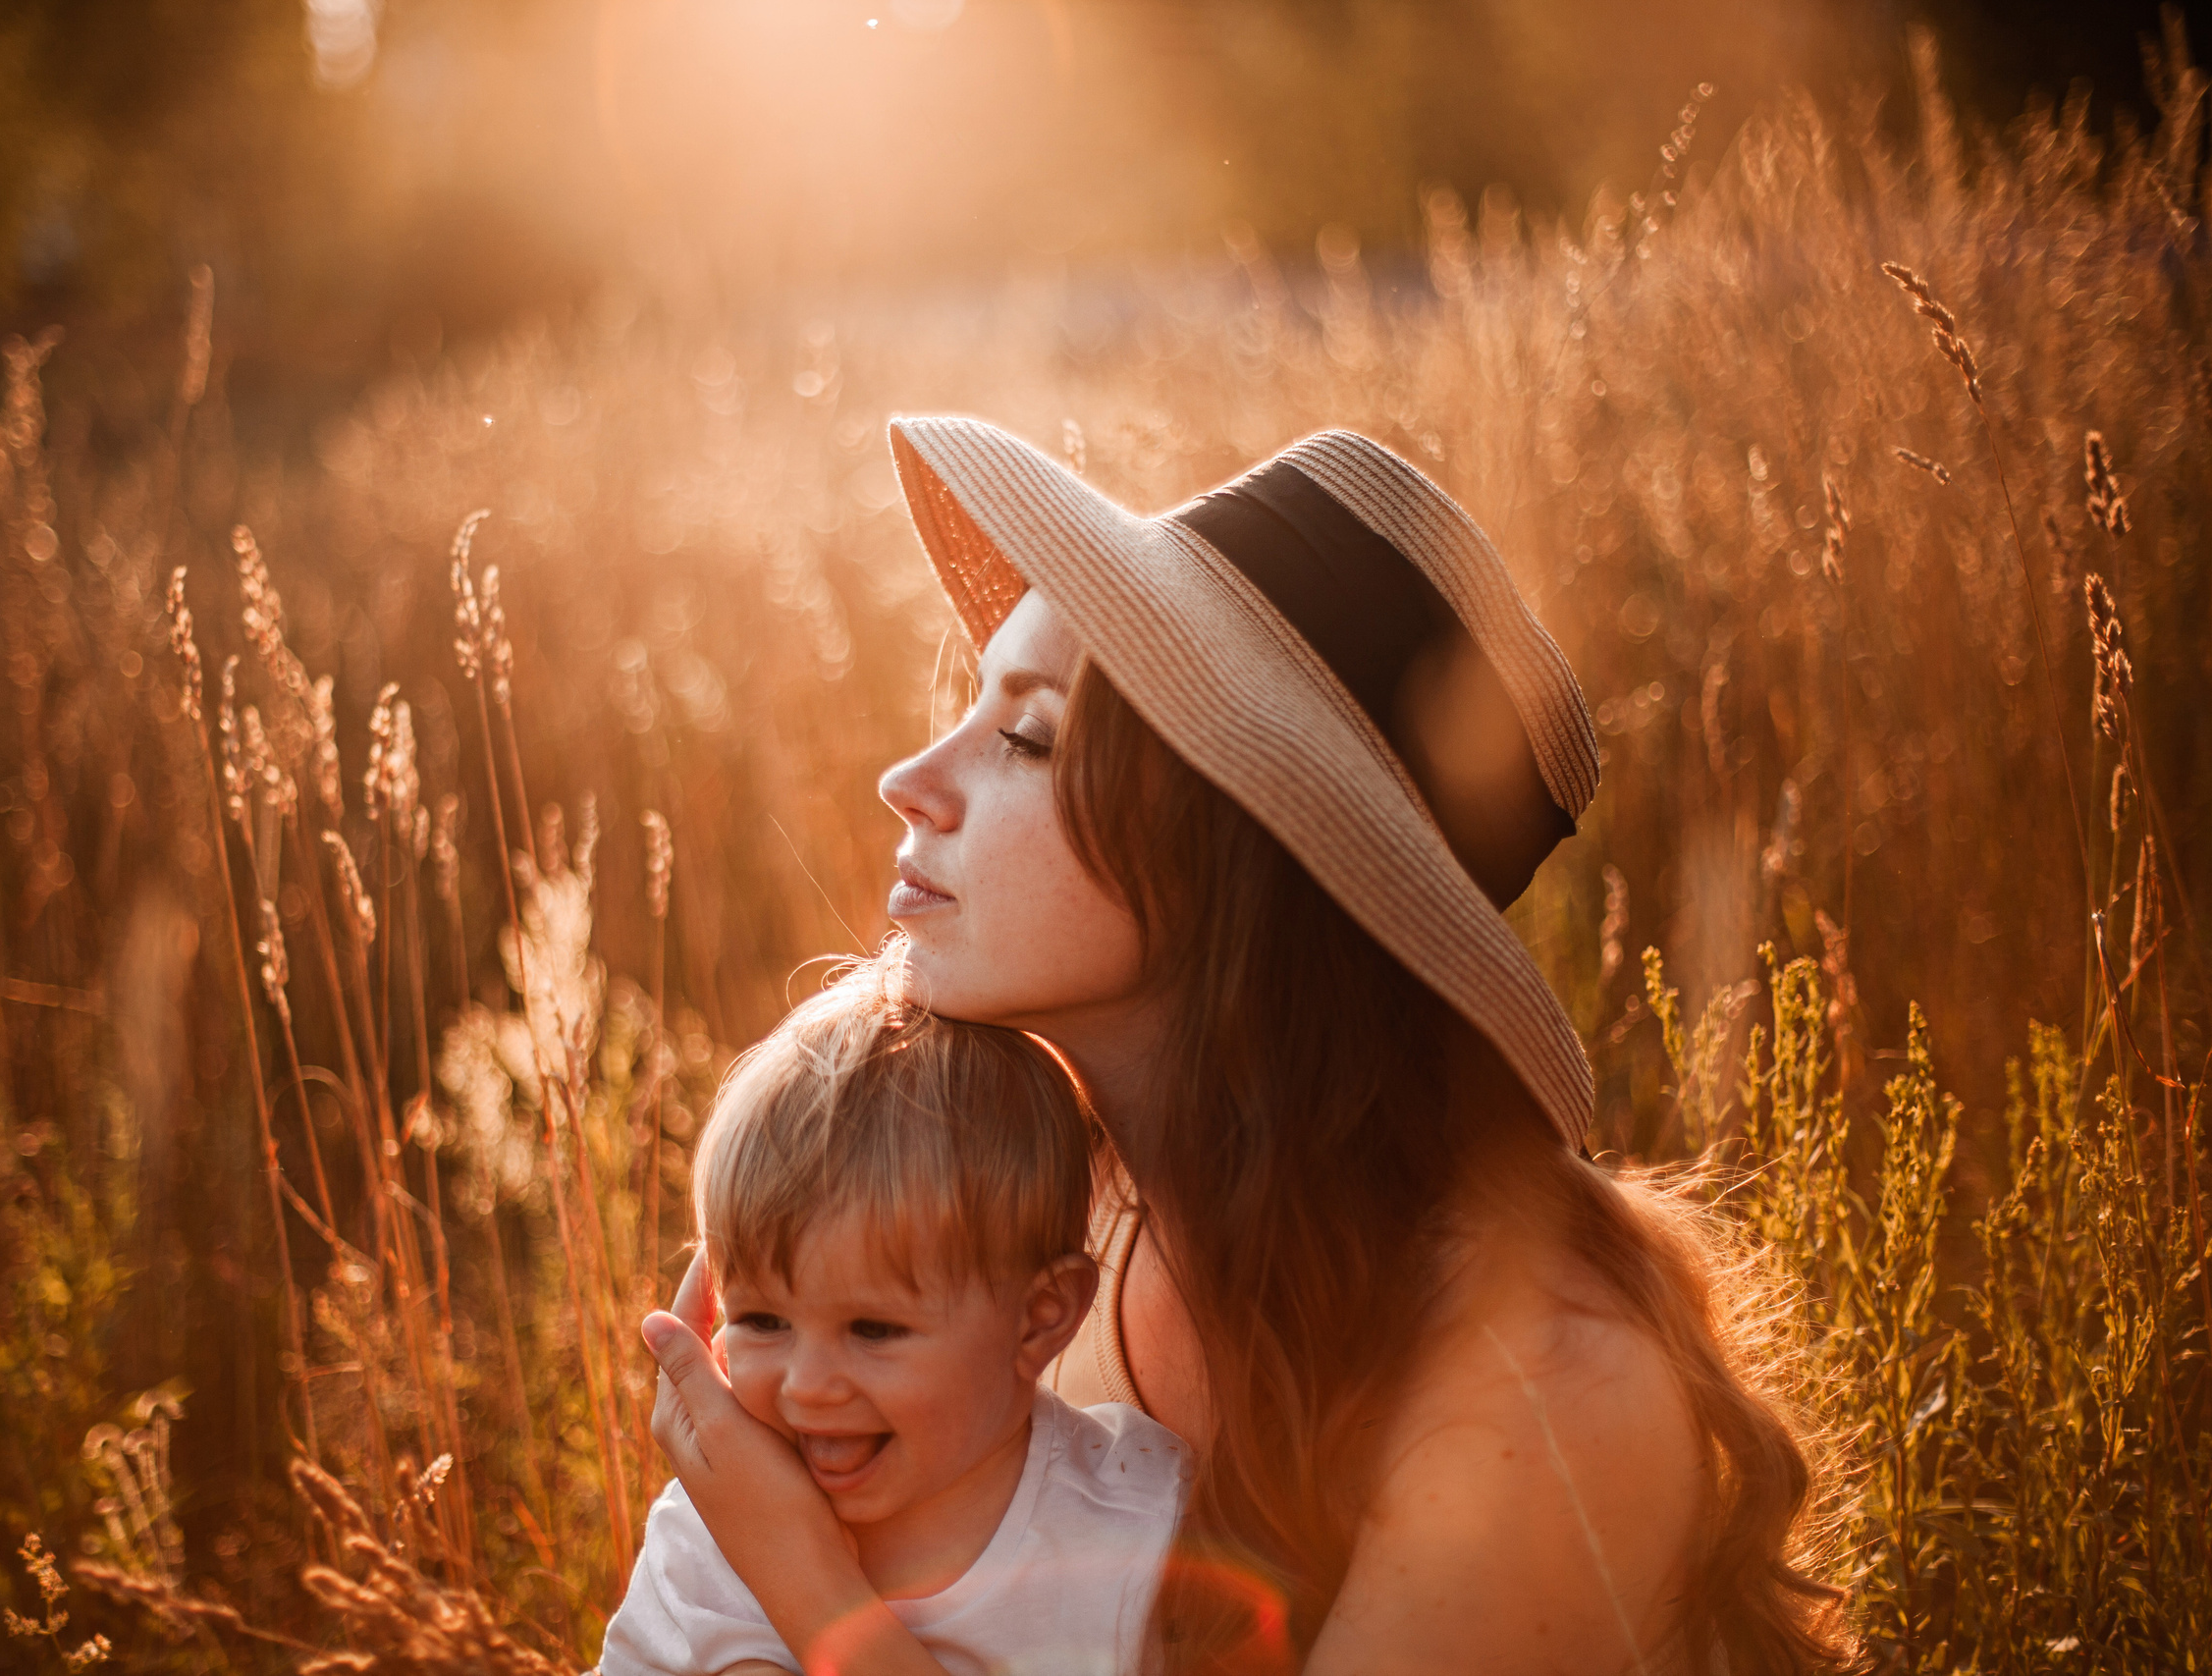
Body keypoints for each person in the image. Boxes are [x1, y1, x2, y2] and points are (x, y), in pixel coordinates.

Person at [643, 418, 1849, 1675]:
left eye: (1029, 737)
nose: (910, 777)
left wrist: (791, 1565)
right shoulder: (1066, 1221)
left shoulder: (1534, 1391)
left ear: (1231, 854)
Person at [604, 962, 1190, 1676]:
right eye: (760, 1318)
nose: (808, 1385)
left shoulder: (1133, 1533)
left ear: (1041, 1317)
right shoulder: (717, 1523)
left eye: (873, 1329)